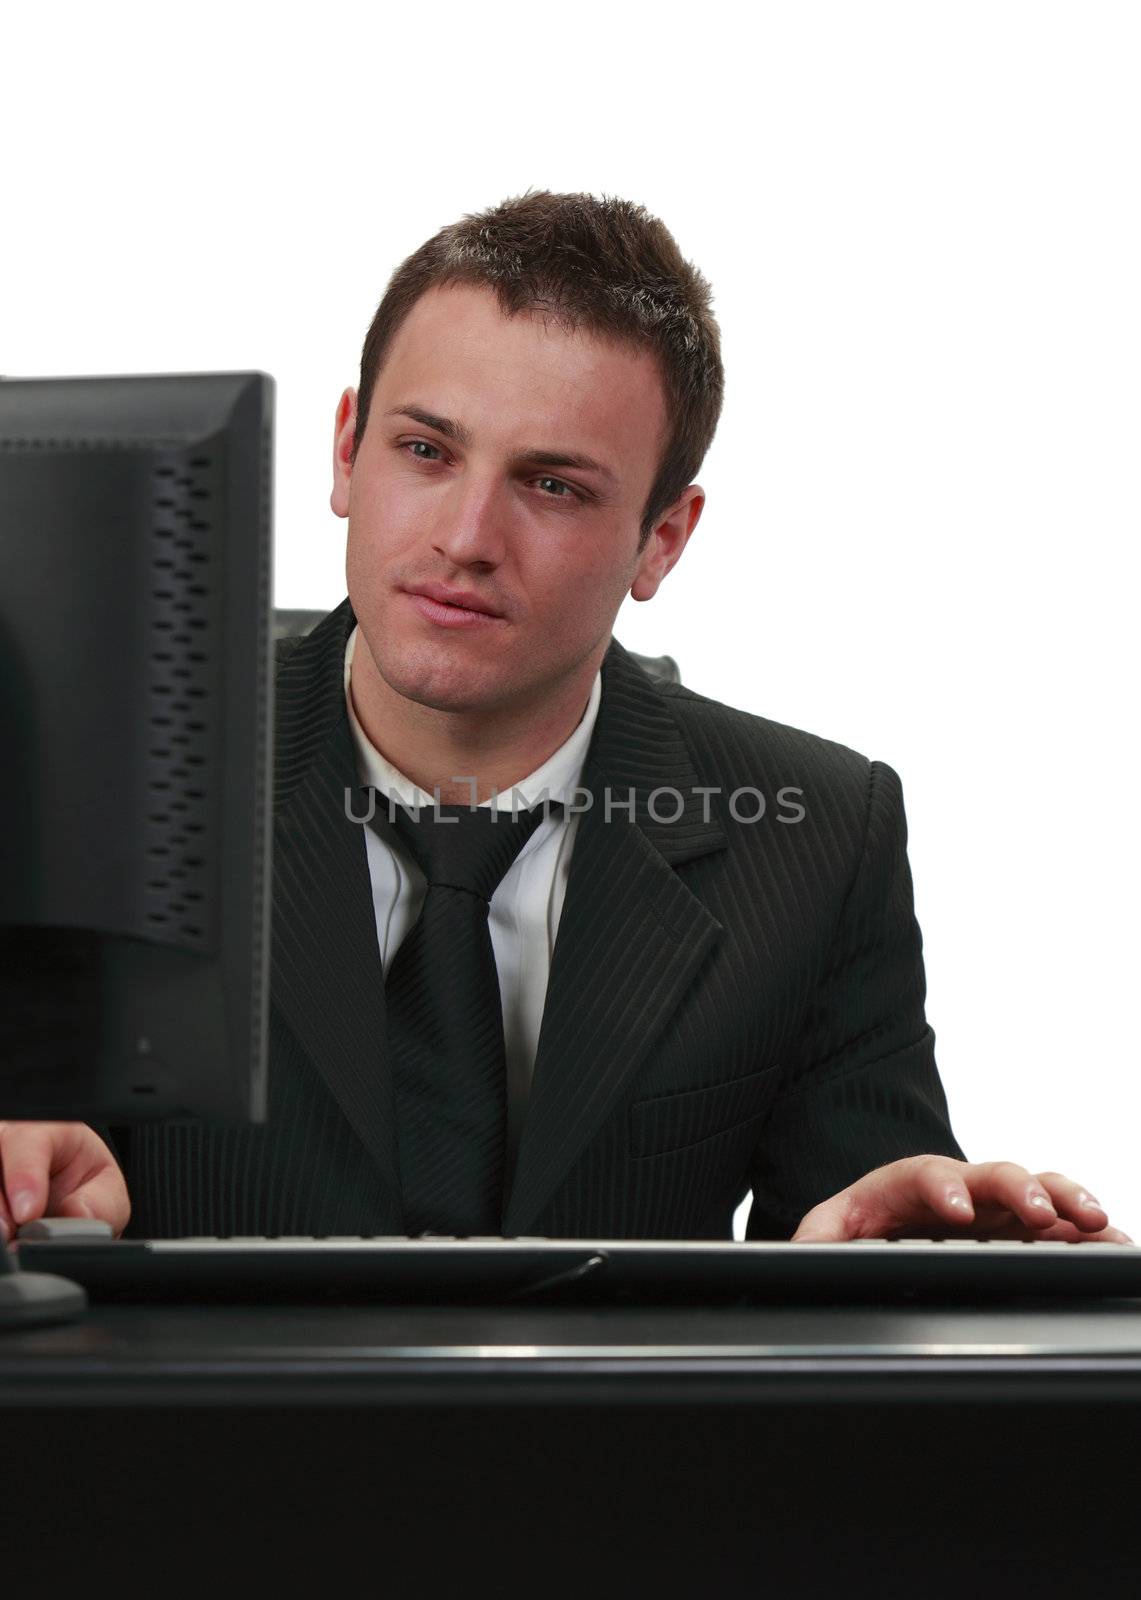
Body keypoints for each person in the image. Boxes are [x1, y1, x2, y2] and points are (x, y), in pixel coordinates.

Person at [0, 190, 1129, 1248]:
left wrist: (913, 1263)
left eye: (552, 485)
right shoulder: (82, 781)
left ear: (662, 540)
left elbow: (871, 1230)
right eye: (425, 450)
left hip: (617, 1461)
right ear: (345, 451)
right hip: (198, 1450)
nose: (465, 536)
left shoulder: (821, 839)